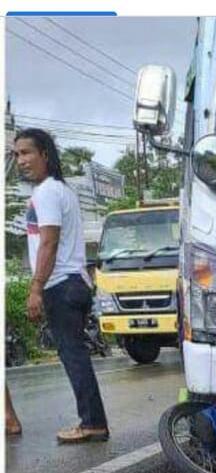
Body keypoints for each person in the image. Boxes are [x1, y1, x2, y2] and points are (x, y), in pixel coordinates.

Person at [14, 128, 110, 443]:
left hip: (61, 284)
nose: (21, 160)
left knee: (73, 355)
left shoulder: (47, 193)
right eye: (16, 155)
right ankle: (92, 421)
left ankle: (92, 423)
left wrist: (36, 288)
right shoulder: (61, 191)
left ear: (45, 154)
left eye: (27, 153)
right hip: (75, 281)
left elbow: (49, 243)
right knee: (76, 354)